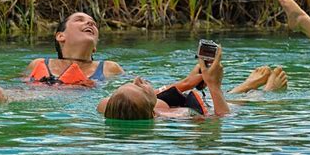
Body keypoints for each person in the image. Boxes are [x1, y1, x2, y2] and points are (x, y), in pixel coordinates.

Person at [97, 47, 230, 119]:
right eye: (140, 87)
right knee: (240, 100)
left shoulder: (106, 106)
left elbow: (131, 101)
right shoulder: (179, 114)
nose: (137, 79)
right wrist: (214, 86)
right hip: (213, 106)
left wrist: (186, 83)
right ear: (152, 111)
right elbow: (222, 118)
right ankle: (246, 86)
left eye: (130, 83)